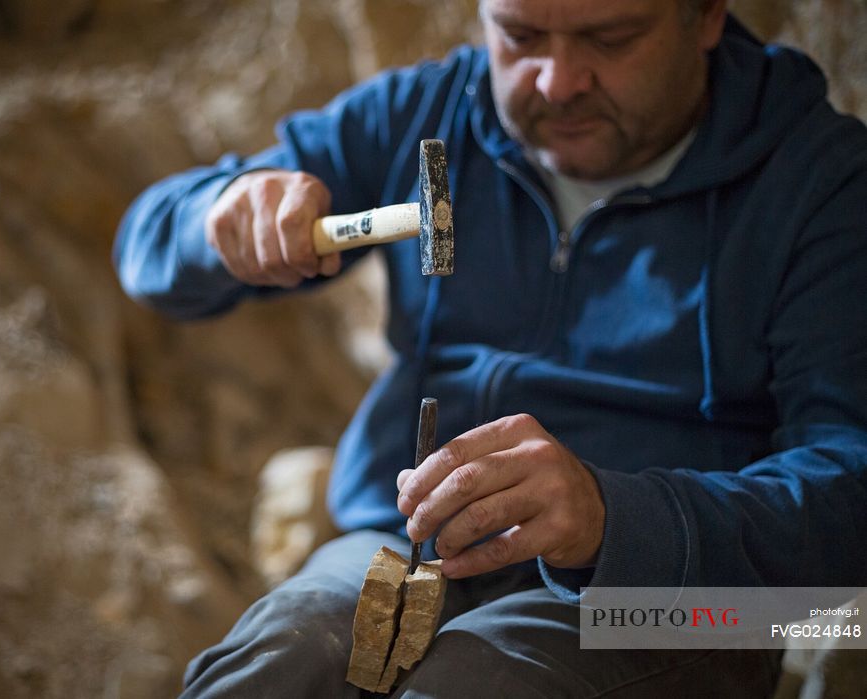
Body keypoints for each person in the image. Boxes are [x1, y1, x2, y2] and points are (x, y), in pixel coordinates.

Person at [114, 0, 867, 695]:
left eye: (612, 38)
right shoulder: (434, 113)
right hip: (409, 534)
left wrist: (617, 518)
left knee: (474, 682)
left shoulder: (823, 184)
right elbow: (146, 249)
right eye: (520, 36)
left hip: (687, 593)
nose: (559, 80)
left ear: (704, 15)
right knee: (282, 655)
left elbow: (849, 493)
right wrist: (220, 216)